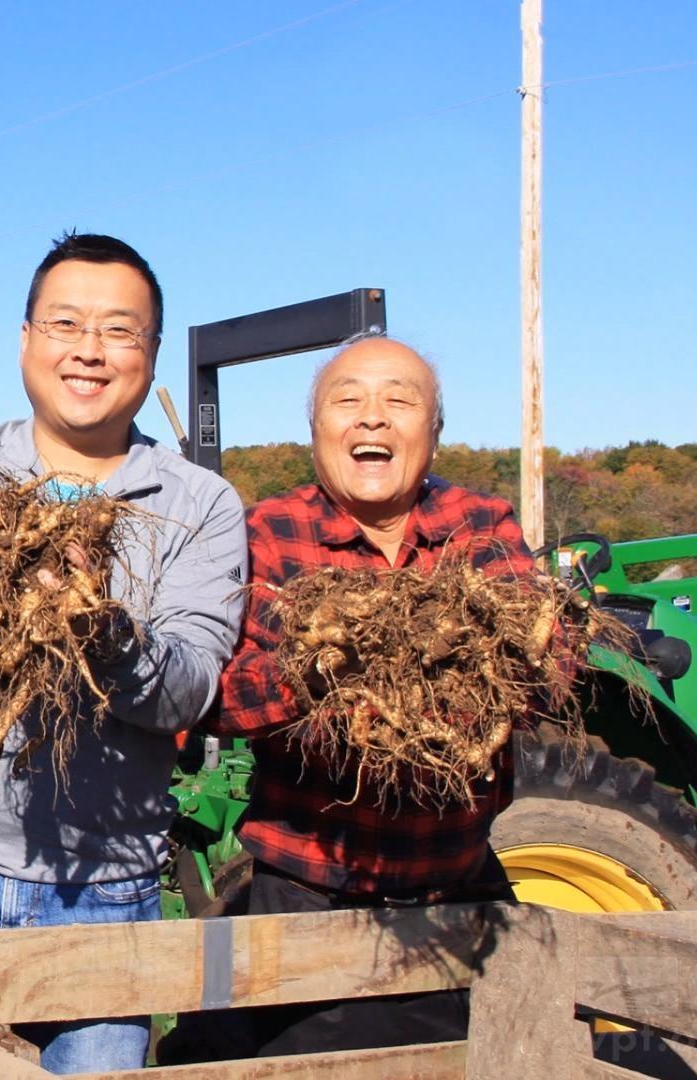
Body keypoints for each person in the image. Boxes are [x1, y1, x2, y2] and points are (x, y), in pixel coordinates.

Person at [0, 232, 248, 1073]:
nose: (89, 350)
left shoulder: (201, 506)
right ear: (26, 340)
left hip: (105, 886)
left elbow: (187, 689)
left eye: (119, 330)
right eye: (65, 323)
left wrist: (105, 632)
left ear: (149, 354)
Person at [212, 333, 534, 1055]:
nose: (372, 418)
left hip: (457, 889)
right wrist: (325, 666)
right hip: (307, 895)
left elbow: (548, 666)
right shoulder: (268, 533)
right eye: (348, 400)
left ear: (435, 432)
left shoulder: (481, 525)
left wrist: (440, 672)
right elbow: (225, 697)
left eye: (399, 400)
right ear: (316, 430)